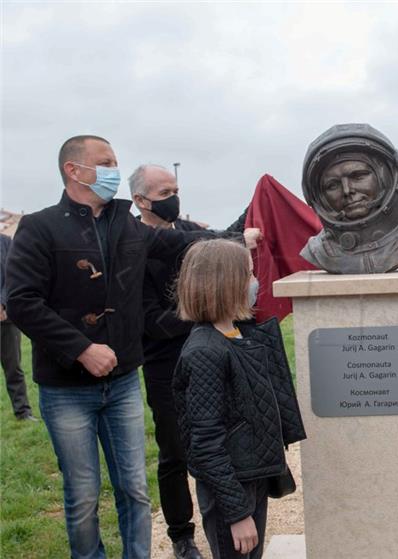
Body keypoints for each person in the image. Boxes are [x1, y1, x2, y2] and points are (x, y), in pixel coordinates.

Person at [5, 135, 259, 558]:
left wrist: (235, 239)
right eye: (105, 162)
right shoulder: (41, 227)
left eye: (115, 162)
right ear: (73, 170)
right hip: (67, 388)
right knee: (84, 495)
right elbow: (22, 303)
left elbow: (180, 242)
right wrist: (82, 349)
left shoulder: (127, 225)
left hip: (122, 382)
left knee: (135, 489)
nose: (113, 170)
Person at [128, 163, 258, 559]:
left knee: (220, 440)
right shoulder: (133, 245)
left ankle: (227, 516)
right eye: (164, 193)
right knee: (175, 451)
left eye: (175, 189)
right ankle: (182, 535)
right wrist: (202, 315)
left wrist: (258, 205)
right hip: (165, 363)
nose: (174, 198)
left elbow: (219, 242)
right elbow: (148, 319)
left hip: (214, 356)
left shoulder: (188, 233)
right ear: (140, 200)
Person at [172, 239, 306, 559]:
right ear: (224, 284)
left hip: (251, 478)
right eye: (248, 274)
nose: (255, 282)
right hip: (231, 489)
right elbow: (206, 443)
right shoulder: (205, 352)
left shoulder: (236, 335)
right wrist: (236, 513)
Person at [300, 123, 398, 273]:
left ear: (386, 177)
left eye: (359, 176)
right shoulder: (319, 252)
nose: (347, 190)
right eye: (332, 185)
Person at [0, 233, 36, 421]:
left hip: (5, 318)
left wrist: (2, 303)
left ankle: (22, 412)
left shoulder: (6, 242)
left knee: (13, 367)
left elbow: (12, 275)